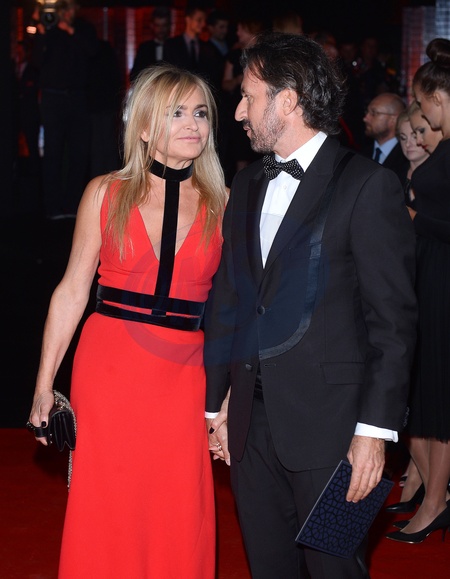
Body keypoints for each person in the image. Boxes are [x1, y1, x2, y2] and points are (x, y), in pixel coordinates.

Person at [204, 32, 417, 578]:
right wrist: (219, 405)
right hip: (250, 430)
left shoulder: (367, 186)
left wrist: (374, 432)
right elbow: (232, 298)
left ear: (288, 101)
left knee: (335, 570)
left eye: (249, 97)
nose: (238, 111)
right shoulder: (246, 183)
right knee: (268, 569)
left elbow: (392, 324)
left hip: (336, 433)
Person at [28, 64, 227, 577]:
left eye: (200, 113)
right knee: (108, 501)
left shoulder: (224, 204)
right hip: (109, 369)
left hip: (186, 374)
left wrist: (225, 397)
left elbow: (235, 312)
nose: (192, 124)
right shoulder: (105, 193)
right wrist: (44, 386)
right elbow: (72, 291)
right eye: (176, 113)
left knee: (179, 505)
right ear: (142, 127)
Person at [386, 37, 450, 544]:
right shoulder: (444, 148)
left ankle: (434, 501)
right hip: (429, 272)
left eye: (424, 103)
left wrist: (413, 217)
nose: (421, 113)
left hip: (442, 276)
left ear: (438, 98)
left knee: (438, 392)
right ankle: (428, 492)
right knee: (425, 389)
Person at [32, 0, 99, 219]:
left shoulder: (83, 29)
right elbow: (37, 61)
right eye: (64, 9)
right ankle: (52, 207)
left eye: (70, 9)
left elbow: (92, 52)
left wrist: (70, 31)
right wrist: (42, 32)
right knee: (52, 153)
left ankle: (73, 205)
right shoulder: (49, 30)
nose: (67, 13)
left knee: (79, 153)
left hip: (78, 98)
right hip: (53, 98)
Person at [362, 92, 409, 182]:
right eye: (367, 112)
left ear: (393, 119)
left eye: (374, 113)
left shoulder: (407, 156)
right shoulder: (362, 154)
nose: (365, 118)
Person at [129, 6, 172, 82]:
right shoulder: (144, 48)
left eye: (164, 25)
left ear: (169, 26)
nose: (161, 29)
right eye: (157, 25)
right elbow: (134, 75)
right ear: (152, 26)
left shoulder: (176, 47)